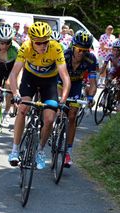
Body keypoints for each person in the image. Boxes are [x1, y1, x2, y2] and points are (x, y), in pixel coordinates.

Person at [8, 22, 71, 169]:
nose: (43, 45)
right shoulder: (26, 47)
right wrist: (15, 92)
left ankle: (41, 151)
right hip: (30, 79)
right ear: (32, 41)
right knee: (23, 109)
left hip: (49, 82)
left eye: (46, 42)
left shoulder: (56, 48)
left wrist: (63, 100)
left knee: (49, 119)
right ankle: (15, 149)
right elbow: (13, 73)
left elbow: (65, 76)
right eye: (39, 43)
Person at [58, 30, 97, 167]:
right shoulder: (65, 55)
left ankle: (68, 152)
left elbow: (93, 83)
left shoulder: (91, 59)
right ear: (73, 46)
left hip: (76, 84)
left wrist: (91, 97)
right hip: (60, 81)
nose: (81, 53)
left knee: (73, 115)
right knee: (58, 109)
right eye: (79, 49)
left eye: (85, 50)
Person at [102, 39, 120, 111]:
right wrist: (99, 74)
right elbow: (104, 66)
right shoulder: (110, 55)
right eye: (114, 49)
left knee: (119, 87)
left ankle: (118, 102)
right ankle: (104, 97)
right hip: (114, 70)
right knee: (108, 80)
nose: (115, 52)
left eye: (118, 50)